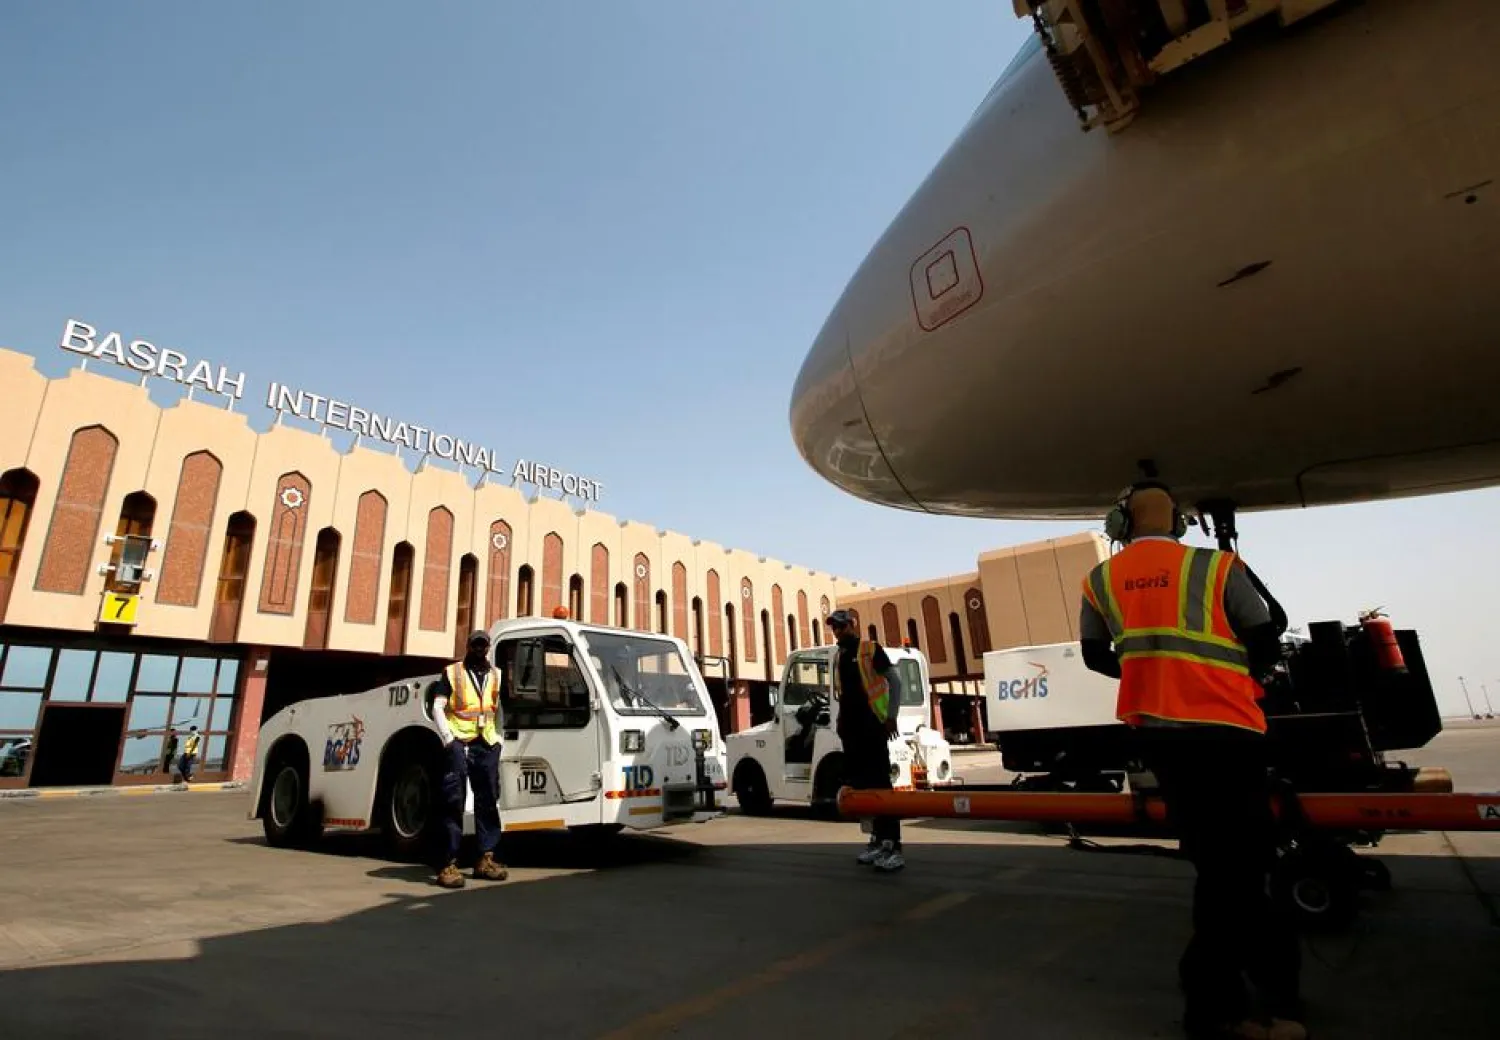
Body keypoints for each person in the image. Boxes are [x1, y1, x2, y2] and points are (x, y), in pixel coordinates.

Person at [1078, 482, 1304, 1040]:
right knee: (1239, 870)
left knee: (1222, 866)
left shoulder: (1100, 579)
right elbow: (1266, 641)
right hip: (1228, 731)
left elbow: (1094, 655)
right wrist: (1229, 674)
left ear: (1120, 523)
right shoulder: (1216, 567)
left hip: (1162, 739)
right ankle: (1216, 1009)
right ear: (1177, 521)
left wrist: (1150, 672)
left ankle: (1269, 993)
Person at [826, 609, 906, 872]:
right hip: (851, 732)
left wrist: (891, 716)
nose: (838, 631)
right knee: (863, 788)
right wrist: (840, 722)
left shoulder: (870, 649)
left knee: (880, 785)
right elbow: (844, 694)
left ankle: (893, 845)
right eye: (834, 628)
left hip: (872, 727)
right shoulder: (839, 656)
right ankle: (876, 840)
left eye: (841, 626)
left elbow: (895, 681)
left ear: (852, 625)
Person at [429, 630, 508, 889]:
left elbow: (499, 708)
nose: (479, 649)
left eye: (483, 645)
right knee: (454, 799)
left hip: (486, 742)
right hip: (459, 742)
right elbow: (438, 707)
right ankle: (447, 863)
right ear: (468, 646)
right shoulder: (453, 673)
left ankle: (485, 859)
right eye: (475, 645)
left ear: (488, 648)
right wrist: (448, 739)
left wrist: (498, 740)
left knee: (488, 799)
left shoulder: (496, 674)